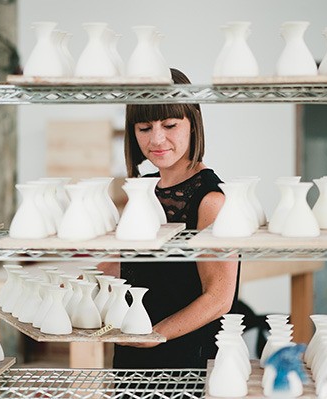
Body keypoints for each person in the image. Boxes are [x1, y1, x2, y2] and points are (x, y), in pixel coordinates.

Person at [100, 68, 240, 369]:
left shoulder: (212, 200)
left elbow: (219, 298)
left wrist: (155, 335)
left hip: (184, 356)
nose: (157, 139)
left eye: (169, 124)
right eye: (144, 128)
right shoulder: (144, 189)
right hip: (133, 349)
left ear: (193, 122)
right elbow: (128, 268)